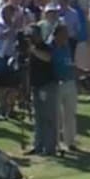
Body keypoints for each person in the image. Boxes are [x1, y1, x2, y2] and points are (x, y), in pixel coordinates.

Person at [52, 23, 85, 151]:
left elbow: (69, 63)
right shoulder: (51, 47)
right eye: (64, 33)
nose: (67, 36)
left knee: (70, 114)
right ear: (57, 34)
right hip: (56, 83)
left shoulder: (67, 47)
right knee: (56, 116)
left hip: (69, 81)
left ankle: (70, 142)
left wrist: (81, 71)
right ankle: (55, 143)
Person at [26, 24, 58, 156]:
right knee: (38, 118)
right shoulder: (30, 49)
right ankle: (38, 145)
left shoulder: (46, 47)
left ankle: (50, 147)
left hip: (47, 85)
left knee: (48, 117)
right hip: (36, 86)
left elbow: (47, 57)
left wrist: (33, 50)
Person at [0, 4, 19, 120]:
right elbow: (1, 36)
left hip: (13, 57)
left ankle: (11, 109)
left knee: (13, 84)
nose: (9, 15)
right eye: (7, 12)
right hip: (2, 56)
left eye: (11, 12)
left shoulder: (17, 26)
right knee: (1, 84)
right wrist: (12, 28)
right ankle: (2, 108)